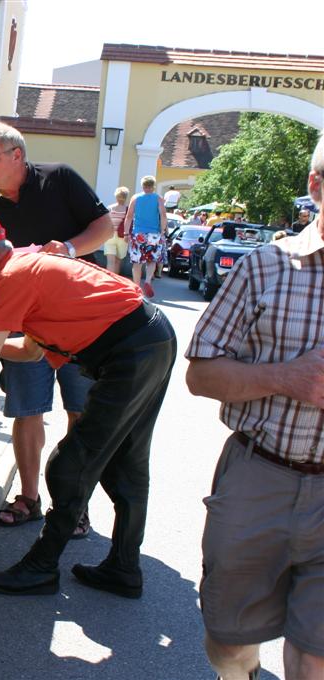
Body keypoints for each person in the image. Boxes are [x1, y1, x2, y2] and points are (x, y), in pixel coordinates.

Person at [0, 214, 176, 597]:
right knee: (127, 461)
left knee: (70, 463)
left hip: (132, 350)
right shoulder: (25, 265)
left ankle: (42, 565)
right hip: (149, 339)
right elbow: (28, 350)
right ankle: (123, 567)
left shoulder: (12, 276)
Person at [185, 135, 324, 680]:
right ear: (317, 186)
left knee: (315, 655)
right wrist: (287, 377)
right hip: (258, 475)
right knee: (229, 643)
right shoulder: (264, 268)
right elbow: (200, 374)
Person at [0, 122, 111, 533]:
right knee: (27, 411)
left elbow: (105, 227)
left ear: (17, 155)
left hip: (77, 324)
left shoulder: (58, 178)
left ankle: (75, 505)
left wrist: (71, 248)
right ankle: (29, 497)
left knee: (80, 413)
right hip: (22, 322)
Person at [123, 175, 168, 298]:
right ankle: (148, 280)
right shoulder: (158, 198)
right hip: (154, 234)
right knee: (152, 259)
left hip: (138, 234)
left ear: (142, 186)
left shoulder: (135, 198)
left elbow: (129, 216)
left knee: (137, 262)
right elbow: (163, 215)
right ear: (153, 186)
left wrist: (126, 233)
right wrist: (163, 231)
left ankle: (137, 287)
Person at [103, 186, 130, 276]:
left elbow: (105, 222)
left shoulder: (110, 208)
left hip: (110, 236)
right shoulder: (128, 210)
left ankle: (109, 280)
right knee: (118, 261)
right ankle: (115, 280)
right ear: (126, 197)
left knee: (110, 261)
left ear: (116, 196)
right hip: (122, 236)